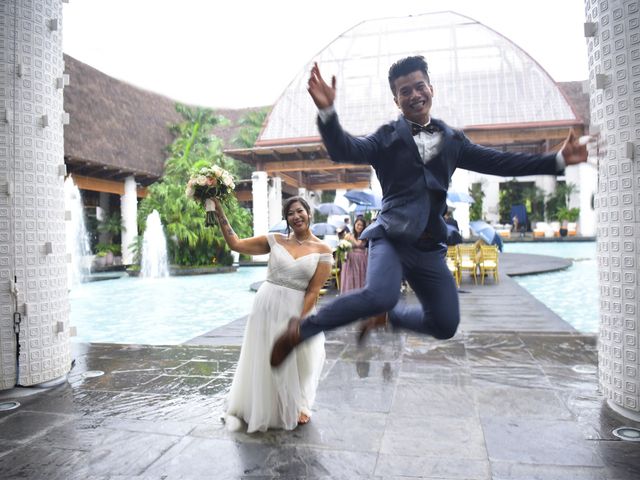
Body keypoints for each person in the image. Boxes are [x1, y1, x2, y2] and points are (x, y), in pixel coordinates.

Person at [270, 55, 589, 367]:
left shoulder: (452, 140)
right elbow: (345, 148)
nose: (414, 95)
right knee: (380, 295)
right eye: (405, 91)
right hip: (392, 238)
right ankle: (301, 330)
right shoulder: (386, 138)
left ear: (431, 89)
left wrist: (556, 161)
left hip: (428, 245)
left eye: (419, 86)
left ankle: (388, 319)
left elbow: (499, 163)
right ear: (396, 100)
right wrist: (327, 111)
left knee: (445, 324)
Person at [213, 195, 332, 431]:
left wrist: (298, 319)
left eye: (299, 211)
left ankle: (297, 405)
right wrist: (218, 211)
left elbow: (313, 291)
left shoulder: (323, 250)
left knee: (297, 360)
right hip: (266, 306)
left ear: (308, 213)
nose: (296, 216)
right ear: (286, 219)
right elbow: (235, 244)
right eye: (290, 213)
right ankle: (262, 405)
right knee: (264, 355)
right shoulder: (275, 240)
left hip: (296, 309)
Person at [340, 216, 368, 293]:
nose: (359, 227)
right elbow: (343, 247)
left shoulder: (365, 236)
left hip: (362, 261)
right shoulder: (348, 235)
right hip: (350, 261)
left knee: (361, 278)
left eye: (361, 225)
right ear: (355, 224)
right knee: (350, 279)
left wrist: (352, 239)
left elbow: (359, 244)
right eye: (358, 224)